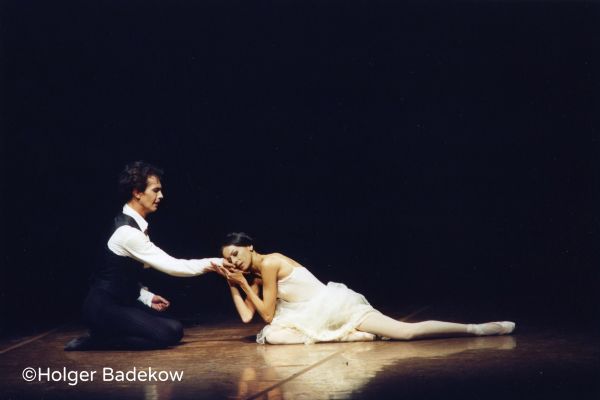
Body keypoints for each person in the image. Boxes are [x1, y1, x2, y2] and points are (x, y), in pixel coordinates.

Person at [214, 232, 516, 344]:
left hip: (335, 308)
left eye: (236, 254)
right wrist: (233, 285)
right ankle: (352, 338)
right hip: (311, 316)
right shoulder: (255, 275)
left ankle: (476, 329)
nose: (234, 261)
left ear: (250, 247)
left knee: (405, 333)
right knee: (273, 336)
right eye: (228, 259)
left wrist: (243, 284)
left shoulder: (269, 263)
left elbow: (266, 314)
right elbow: (247, 317)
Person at [65, 161, 227, 351]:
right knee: (167, 334)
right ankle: (97, 340)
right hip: (103, 307)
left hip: (122, 301)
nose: (161, 196)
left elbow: (122, 272)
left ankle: (106, 334)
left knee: (175, 328)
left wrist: (146, 297)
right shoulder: (127, 232)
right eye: (155, 190)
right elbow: (173, 266)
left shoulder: (133, 224)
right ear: (137, 192)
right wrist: (215, 263)